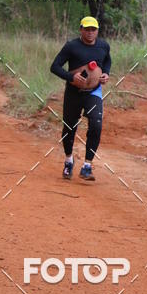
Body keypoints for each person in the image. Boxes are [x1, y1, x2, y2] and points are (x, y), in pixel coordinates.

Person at [50, 16, 111, 181]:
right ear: (81, 29)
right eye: (87, 29)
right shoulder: (71, 46)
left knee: (96, 124)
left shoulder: (103, 46)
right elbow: (54, 67)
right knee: (69, 128)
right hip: (73, 93)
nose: (90, 33)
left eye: (93, 29)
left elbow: (107, 61)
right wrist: (71, 78)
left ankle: (87, 166)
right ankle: (69, 160)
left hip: (93, 92)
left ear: (97, 30)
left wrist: (105, 74)